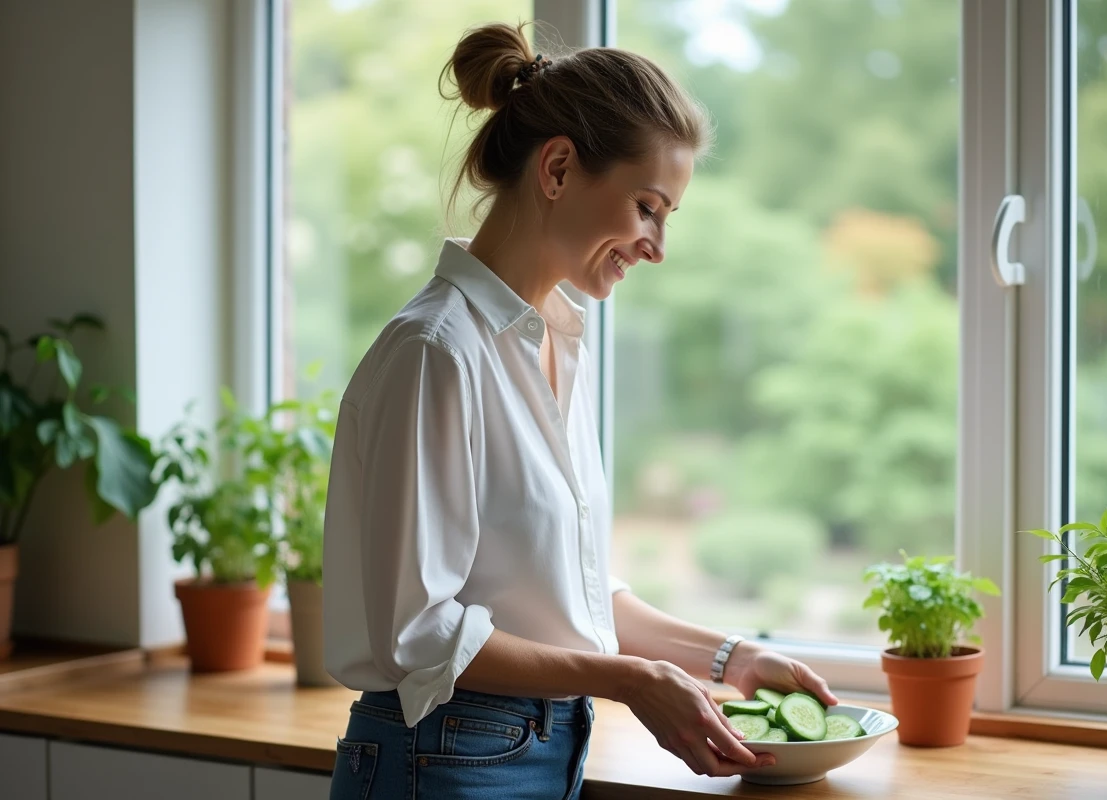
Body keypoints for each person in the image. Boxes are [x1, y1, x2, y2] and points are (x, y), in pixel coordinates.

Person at [322, 21, 838, 800]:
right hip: (443, 758)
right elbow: (418, 633)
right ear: (558, 167)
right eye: (648, 207)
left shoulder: (560, 343)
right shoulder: (437, 352)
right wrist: (631, 681)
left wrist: (732, 657)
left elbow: (572, 598)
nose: (657, 245)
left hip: (530, 751)